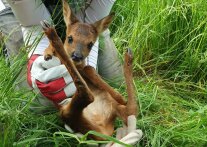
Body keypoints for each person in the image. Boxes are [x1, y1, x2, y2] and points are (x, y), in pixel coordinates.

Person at [0, 0, 142, 145]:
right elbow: (32, 23)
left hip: (85, 17)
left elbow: (88, 33)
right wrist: (36, 58)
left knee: (115, 80)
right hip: (24, 8)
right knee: (33, 105)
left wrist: (88, 68)